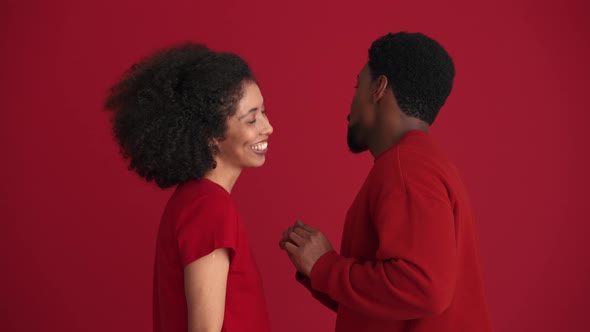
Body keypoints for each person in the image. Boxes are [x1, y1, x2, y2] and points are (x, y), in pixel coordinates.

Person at [279, 32, 492, 332]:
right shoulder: (421, 162)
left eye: (357, 86)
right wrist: (316, 269)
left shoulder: (406, 168)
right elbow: (390, 306)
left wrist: (326, 266)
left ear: (378, 89)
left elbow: (423, 289)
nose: (349, 106)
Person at [105, 43, 273, 332]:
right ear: (211, 135)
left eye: (264, 112)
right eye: (252, 118)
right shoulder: (210, 208)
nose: (268, 127)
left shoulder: (195, 199)